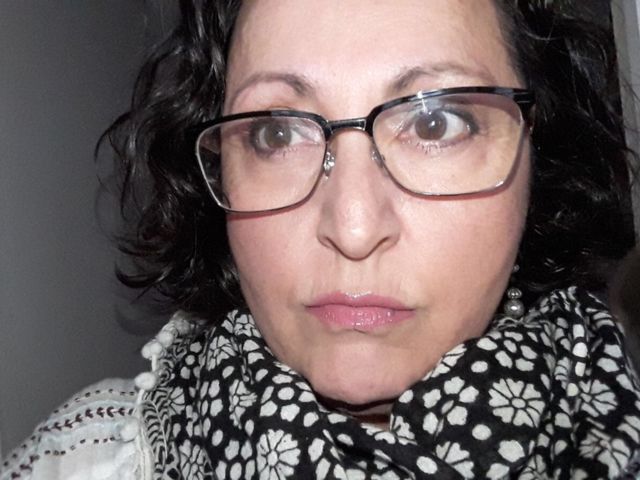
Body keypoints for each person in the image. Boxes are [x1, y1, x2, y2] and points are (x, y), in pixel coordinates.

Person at [3, 0, 640, 478]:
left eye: (436, 123)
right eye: (276, 133)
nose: (354, 228)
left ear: (537, 155)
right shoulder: (76, 460)